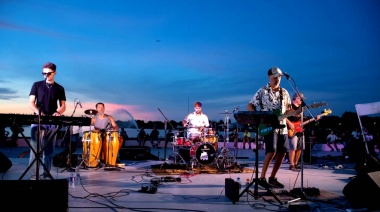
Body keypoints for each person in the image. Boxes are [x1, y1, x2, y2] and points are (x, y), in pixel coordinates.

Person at [247, 67, 292, 189]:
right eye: (275, 76)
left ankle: (272, 178)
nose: (277, 79)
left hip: (282, 127)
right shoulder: (262, 91)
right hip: (268, 126)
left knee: (283, 152)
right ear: (269, 77)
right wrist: (257, 118)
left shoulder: (285, 92)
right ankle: (262, 178)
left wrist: (297, 112)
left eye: (279, 76)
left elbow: (288, 110)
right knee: (271, 151)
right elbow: (250, 105)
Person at [28, 62, 66, 180]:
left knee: (49, 151)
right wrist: (38, 112)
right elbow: (31, 102)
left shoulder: (59, 88)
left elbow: (63, 106)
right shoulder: (37, 85)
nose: (45, 76)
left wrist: (58, 112)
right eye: (43, 73)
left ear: (54, 73)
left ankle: (46, 175)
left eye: (48, 73)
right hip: (38, 120)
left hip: (52, 122)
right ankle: (34, 177)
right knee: (35, 150)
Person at [286, 93, 321, 171]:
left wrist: (315, 118)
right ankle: (291, 164)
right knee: (293, 148)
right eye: (301, 99)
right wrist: (290, 123)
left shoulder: (301, 108)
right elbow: (283, 116)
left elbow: (303, 119)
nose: (302, 101)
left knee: (300, 148)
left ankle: (296, 163)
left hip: (300, 130)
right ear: (297, 98)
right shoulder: (289, 107)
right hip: (291, 129)